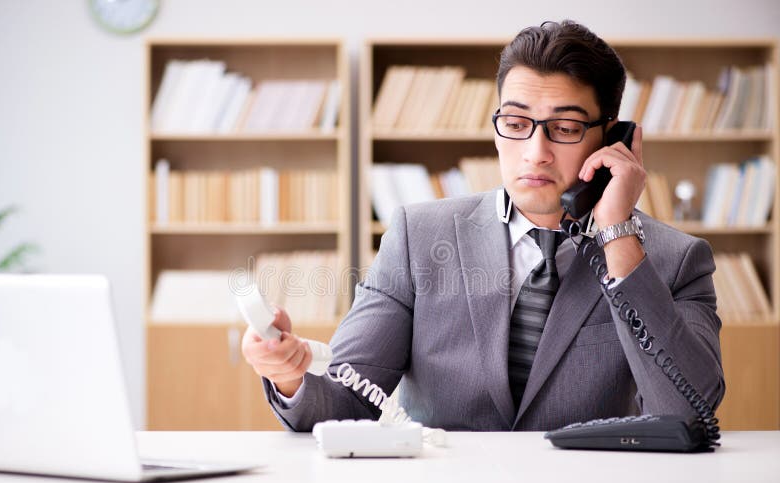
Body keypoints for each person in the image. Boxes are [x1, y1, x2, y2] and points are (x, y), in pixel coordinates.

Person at [241, 20, 725, 431]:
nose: (535, 152)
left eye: (565, 128)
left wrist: (617, 234)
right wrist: (290, 374)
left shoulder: (675, 261)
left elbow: (689, 416)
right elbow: (343, 403)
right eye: (515, 124)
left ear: (612, 138)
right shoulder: (418, 237)